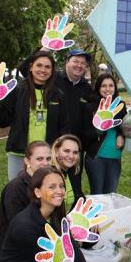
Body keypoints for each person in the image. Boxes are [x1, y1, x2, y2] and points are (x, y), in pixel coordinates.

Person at [0, 51, 67, 180]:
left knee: (43, 195)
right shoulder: (18, 90)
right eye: (39, 65)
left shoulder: (58, 95)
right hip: (20, 153)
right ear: (31, 67)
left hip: (47, 157)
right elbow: (2, 121)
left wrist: (60, 150)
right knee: (17, 193)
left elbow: (64, 126)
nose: (43, 70)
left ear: (52, 71)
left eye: (48, 67)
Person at [0, 141, 52, 262]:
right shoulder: (15, 189)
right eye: (39, 159)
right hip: (13, 256)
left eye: (48, 158)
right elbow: (19, 228)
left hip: (39, 245)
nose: (45, 163)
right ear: (27, 161)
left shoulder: (48, 183)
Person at [55, 49, 93, 195]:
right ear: (67, 62)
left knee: (75, 182)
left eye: (83, 63)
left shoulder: (86, 88)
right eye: (75, 61)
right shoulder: (54, 80)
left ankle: (74, 213)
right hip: (56, 144)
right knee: (55, 182)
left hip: (77, 147)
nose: (79, 65)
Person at [82, 74, 126, 194]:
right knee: (97, 195)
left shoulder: (120, 106)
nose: (107, 89)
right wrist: (99, 128)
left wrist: (121, 135)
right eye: (104, 86)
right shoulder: (90, 106)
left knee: (111, 194)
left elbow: (124, 127)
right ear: (98, 88)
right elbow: (85, 133)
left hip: (115, 157)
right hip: (96, 158)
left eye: (111, 85)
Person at [51, 134, 83, 208]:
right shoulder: (49, 174)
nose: (71, 156)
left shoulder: (73, 171)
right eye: (66, 151)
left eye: (75, 152)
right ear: (56, 151)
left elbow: (79, 198)